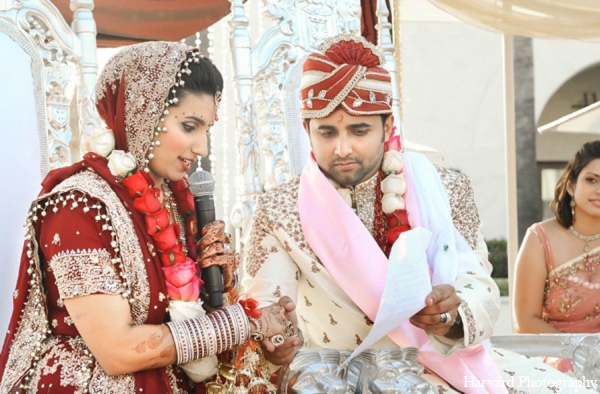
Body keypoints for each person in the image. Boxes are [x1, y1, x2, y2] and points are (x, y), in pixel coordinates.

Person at [241, 34, 593, 393]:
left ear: (388, 127)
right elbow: (266, 312)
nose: (342, 147)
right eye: (327, 133)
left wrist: (451, 317)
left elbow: (481, 287)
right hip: (340, 375)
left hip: (445, 363)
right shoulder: (279, 209)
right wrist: (277, 341)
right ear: (307, 130)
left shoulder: (445, 187)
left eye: (359, 130)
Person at [0, 41, 295, 393]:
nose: (201, 148)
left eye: (207, 130)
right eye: (189, 126)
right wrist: (242, 323)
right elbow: (118, 351)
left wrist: (259, 332)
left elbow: (201, 324)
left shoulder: (180, 201)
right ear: (143, 116)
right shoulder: (76, 205)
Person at [513, 141, 600, 370]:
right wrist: (578, 352)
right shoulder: (540, 238)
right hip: (554, 354)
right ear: (571, 186)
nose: (599, 190)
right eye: (591, 180)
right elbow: (525, 321)